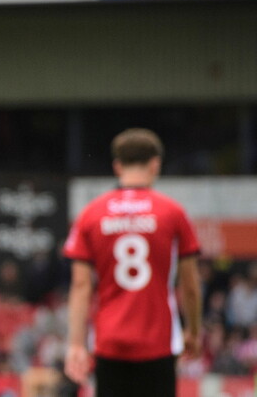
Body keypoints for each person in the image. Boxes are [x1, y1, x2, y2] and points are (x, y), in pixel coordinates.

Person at [63, 128, 202, 397]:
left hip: (109, 342)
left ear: (117, 166)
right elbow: (191, 286)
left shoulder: (91, 214)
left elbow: (81, 286)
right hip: (158, 343)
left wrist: (76, 345)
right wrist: (193, 332)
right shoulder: (173, 213)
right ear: (155, 164)